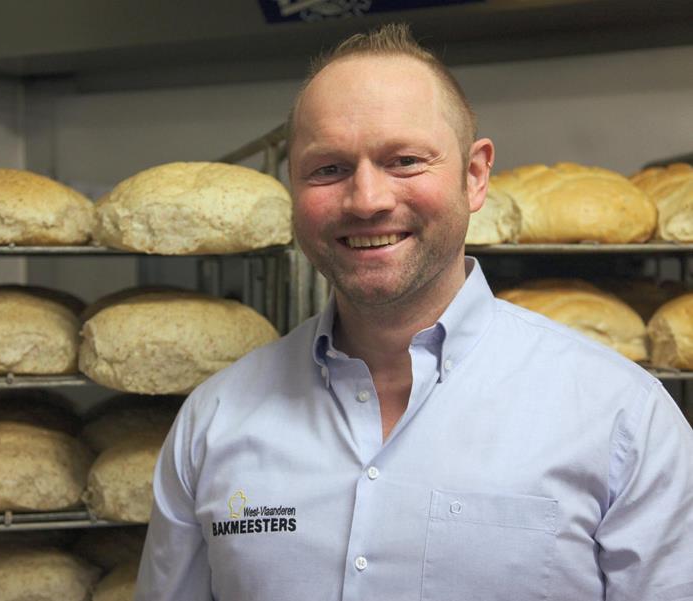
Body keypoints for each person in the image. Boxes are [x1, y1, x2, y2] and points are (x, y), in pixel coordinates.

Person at [135, 23, 693, 600]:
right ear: (293, 188)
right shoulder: (215, 420)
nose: (367, 199)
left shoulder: (621, 417)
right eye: (328, 168)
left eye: (403, 160)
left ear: (474, 176)